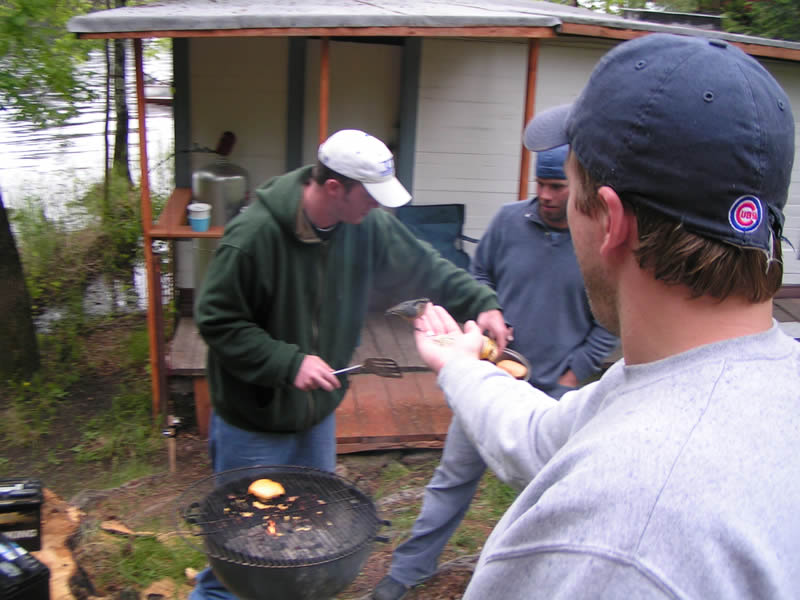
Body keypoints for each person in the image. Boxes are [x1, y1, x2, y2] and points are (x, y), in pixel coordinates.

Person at [405, 33, 800, 599]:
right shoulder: (707, 381)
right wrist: (461, 366)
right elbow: (544, 437)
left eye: (569, 187)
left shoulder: (612, 546)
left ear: (610, 221)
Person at [190, 128, 511, 600]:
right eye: (371, 197)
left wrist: (481, 301)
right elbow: (215, 321)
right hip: (253, 420)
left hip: (316, 414)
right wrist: (287, 361)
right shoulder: (254, 236)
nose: (378, 208)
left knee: (312, 537)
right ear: (334, 187)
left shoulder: (366, 227)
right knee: (241, 556)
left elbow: (426, 265)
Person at [372, 146, 617, 600]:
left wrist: (573, 373)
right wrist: (491, 309)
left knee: (550, 501)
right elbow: (480, 274)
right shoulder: (508, 222)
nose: (545, 195)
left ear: (575, 187)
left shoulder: (597, 238)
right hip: (492, 376)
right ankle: (408, 570)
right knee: (452, 479)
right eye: (540, 185)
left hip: (554, 394)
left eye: (557, 186)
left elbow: (610, 320)